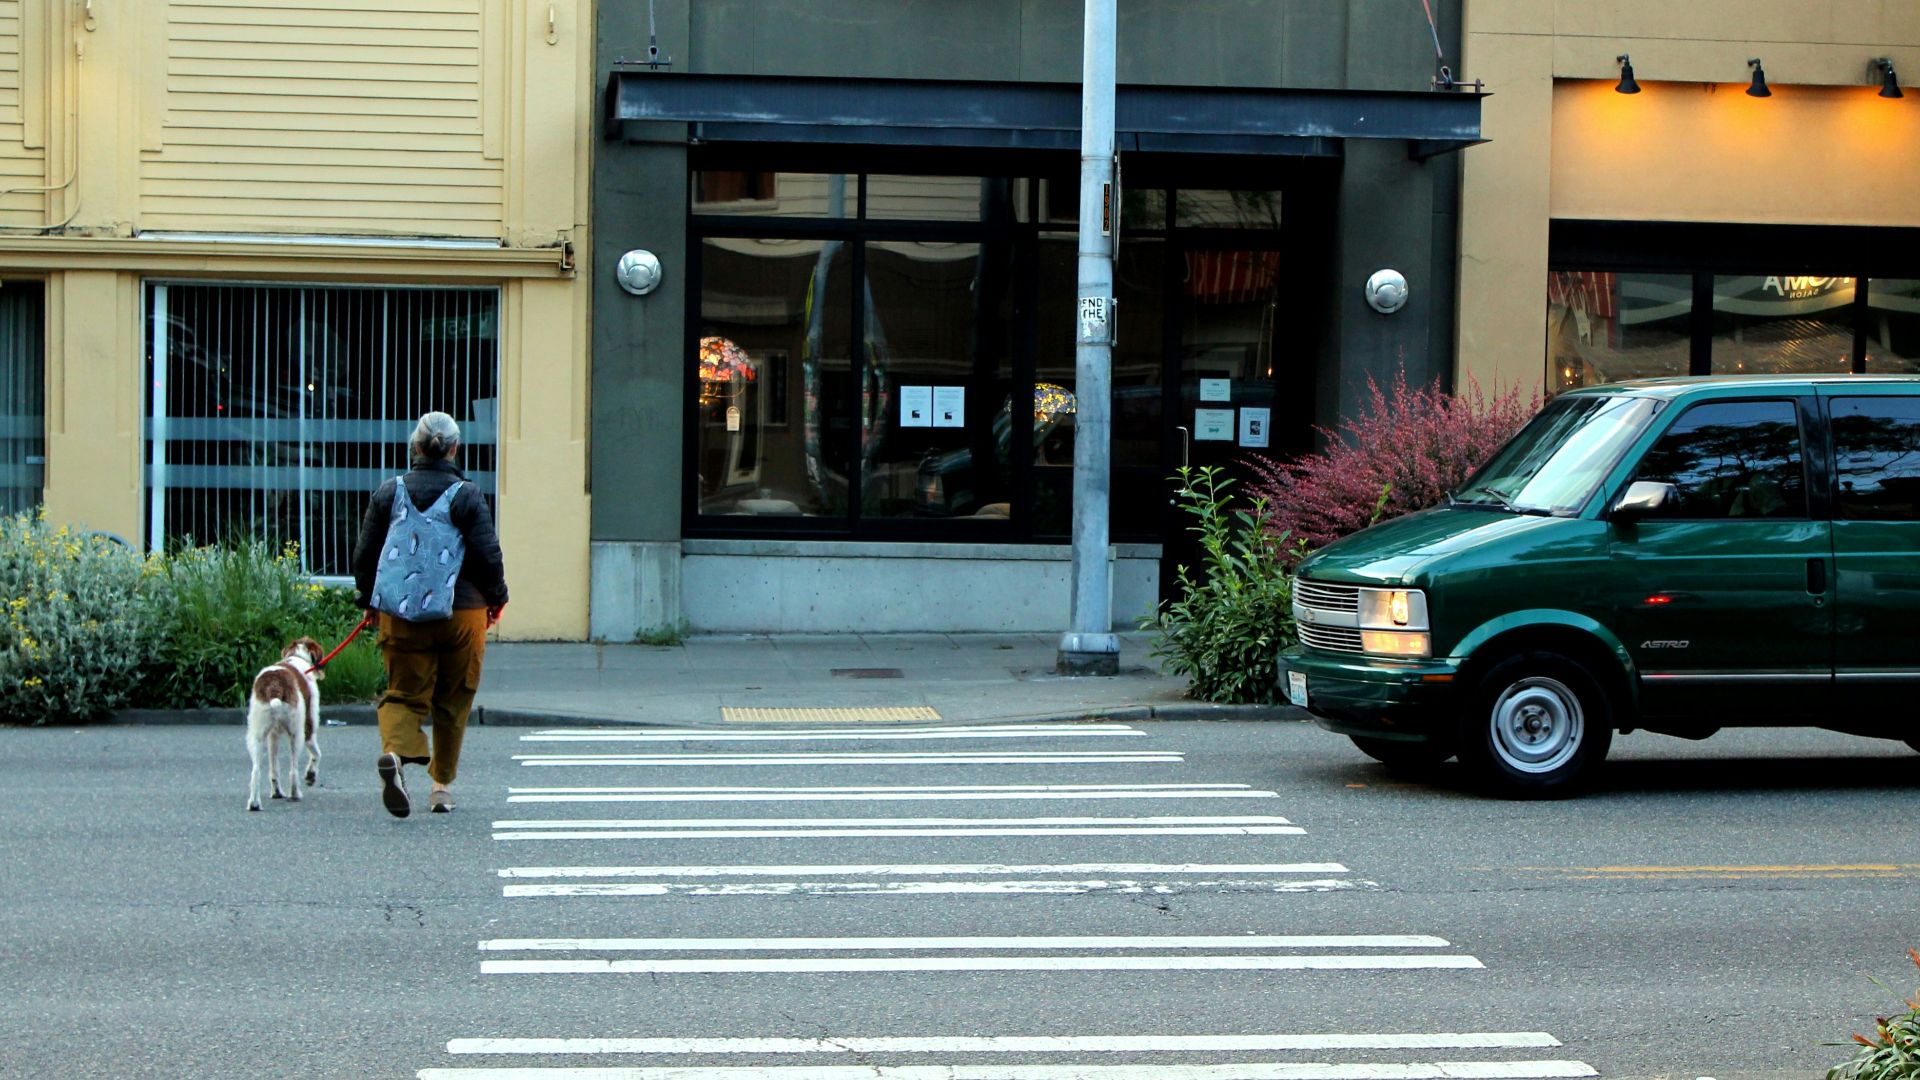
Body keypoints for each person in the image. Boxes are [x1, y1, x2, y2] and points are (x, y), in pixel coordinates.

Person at [350, 412, 508, 818]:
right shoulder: (468, 495)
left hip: (403, 613)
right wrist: (496, 598)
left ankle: (397, 756)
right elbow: (487, 555)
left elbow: (366, 556)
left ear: (415, 448)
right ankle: (440, 787)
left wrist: (369, 600)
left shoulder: (390, 492)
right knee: (454, 699)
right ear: (454, 448)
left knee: (404, 693)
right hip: (463, 612)